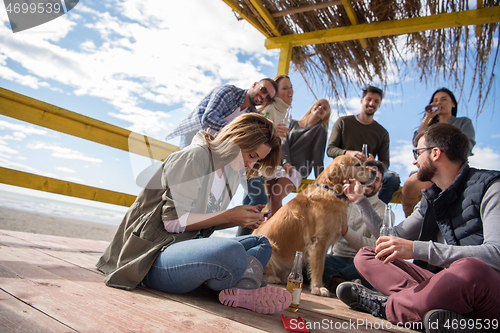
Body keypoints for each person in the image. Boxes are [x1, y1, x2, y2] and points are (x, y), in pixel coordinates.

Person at [97, 114, 292, 314]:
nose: (251, 165)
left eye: (257, 161)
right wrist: (229, 216)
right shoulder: (195, 156)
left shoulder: (231, 172)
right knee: (231, 255)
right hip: (150, 256)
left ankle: (238, 286)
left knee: (261, 243)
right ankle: (243, 282)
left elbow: (204, 223)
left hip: (182, 248)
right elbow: (172, 222)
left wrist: (241, 219)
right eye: (251, 156)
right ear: (237, 139)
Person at [336, 123, 500, 331]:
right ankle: (442, 315)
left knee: (470, 269)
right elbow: (393, 236)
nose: (414, 161)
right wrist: (359, 199)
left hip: (484, 288)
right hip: (441, 283)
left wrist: (416, 249)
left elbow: (496, 254)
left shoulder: (491, 186)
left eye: (417, 152)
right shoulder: (430, 199)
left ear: (435, 153)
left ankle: (387, 306)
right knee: (367, 255)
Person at [401, 88, 476, 217]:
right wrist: (428, 118)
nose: (438, 103)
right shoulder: (430, 126)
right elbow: (416, 142)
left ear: (453, 104)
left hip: (453, 169)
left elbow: (467, 146)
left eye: (443, 99)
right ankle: (414, 225)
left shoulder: (463, 122)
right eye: (435, 100)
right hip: (429, 169)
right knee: (409, 185)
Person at [237, 74, 294, 236]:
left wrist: (283, 162)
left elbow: (278, 142)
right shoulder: (269, 110)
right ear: (275, 95)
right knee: (259, 200)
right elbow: (254, 133)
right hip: (251, 162)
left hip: (262, 164)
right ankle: (240, 244)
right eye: (285, 88)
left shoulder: (282, 112)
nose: (290, 90)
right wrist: (274, 131)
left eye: (291, 87)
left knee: (249, 201)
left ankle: (240, 242)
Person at [322, 160, 390, 293]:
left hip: (361, 262)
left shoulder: (385, 210)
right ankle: (344, 282)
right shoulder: (342, 200)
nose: (370, 181)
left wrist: (346, 232)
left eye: (375, 179)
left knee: (379, 267)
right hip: (335, 259)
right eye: (366, 175)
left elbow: (377, 247)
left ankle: (335, 280)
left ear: (381, 186)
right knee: (310, 259)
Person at [327, 86, 400, 204]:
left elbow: (385, 162)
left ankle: (374, 212)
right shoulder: (343, 122)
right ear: (362, 100)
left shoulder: (382, 133)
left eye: (376, 101)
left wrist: (374, 163)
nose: (372, 103)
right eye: (369, 99)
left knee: (392, 178)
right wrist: (348, 153)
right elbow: (330, 149)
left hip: (366, 173)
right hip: (346, 170)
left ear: (380, 104)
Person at [165, 78, 278, 149]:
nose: (263, 96)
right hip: (195, 132)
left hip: (216, 144)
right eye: (263, 90)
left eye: (268, 97)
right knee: (185, 169)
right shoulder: (228, 92)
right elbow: (208, 119)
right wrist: (236, 131)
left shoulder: (252, 114)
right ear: (254, 85)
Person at [266, 99, 330, 215]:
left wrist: (321, 180)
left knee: (276, 196)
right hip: (282, 164)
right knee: (268, 199)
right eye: (319, 105)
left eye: (325, 109)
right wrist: (286, 162)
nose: (321, 108)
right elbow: (283, 142)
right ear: (312, 107)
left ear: (324, 117)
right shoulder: (292, 123)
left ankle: (278, 229)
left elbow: (318, 157)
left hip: (299, 169)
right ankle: (266, 225)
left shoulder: (320, 129)